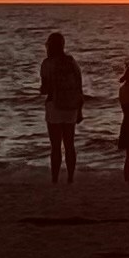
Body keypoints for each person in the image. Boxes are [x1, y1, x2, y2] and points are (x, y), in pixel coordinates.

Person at [38, 31, 86, 184]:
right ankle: (71, 178)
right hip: (71, 108)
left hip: (54, 107)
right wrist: (79, 110)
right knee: (70, 145)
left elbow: (45, 88)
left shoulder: (47, 63)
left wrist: (44, 89)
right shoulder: (72, 62)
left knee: (56, 147)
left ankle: (55, 179)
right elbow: (79, 87)